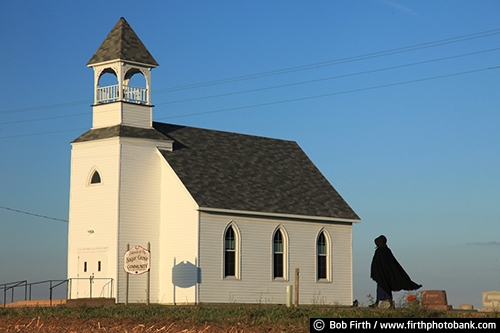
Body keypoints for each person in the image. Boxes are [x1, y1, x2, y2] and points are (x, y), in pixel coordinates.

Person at [370, 235, 422, 308]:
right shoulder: (387, 250)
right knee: (383, 288)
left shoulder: (380, 251)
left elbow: (380, 264)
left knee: (383, 288)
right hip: (385, 274)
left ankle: (384, 303)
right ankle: (381, 303)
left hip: (383, 275)